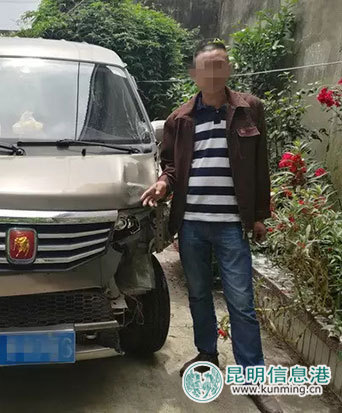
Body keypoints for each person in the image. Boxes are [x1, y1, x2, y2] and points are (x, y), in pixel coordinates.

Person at [141, 41, 282, 413]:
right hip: (192, 225)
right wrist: (163, 183)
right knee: (199, 295)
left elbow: (260, 165)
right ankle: (207, 354)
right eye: (207, 67)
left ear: (229, 69)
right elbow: (171, 167)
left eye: (220, 65)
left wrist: (259, 215)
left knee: (242, 303)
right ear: (195, 74)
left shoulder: (249, 109)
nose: (214, 73)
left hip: (231, 225)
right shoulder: (180, 119)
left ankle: (253, 377)